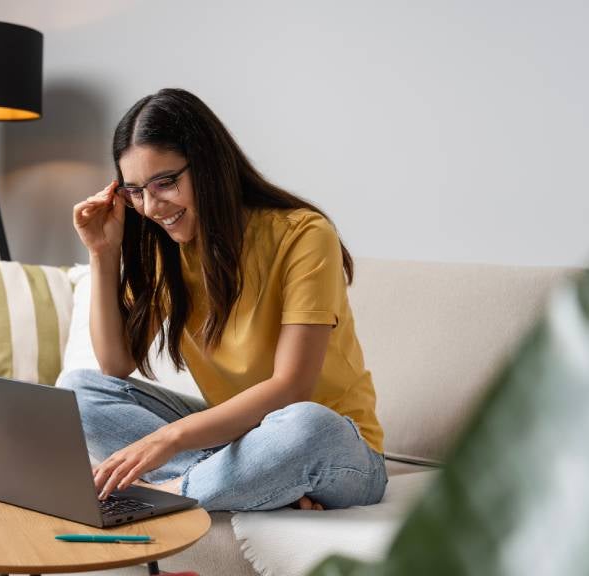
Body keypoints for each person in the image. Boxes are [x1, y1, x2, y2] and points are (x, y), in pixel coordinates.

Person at [60, 88, 386, 512]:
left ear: (209, 165)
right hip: (238, 441)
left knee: (308, 425)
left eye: (165, 183)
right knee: (78, 390)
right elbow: (115, 365)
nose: (152, 206)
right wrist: (102, 254)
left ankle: (174, 492)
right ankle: (254, 482)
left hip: (339, 450)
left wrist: (168, 437)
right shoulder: (166, 249)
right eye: (134, 191)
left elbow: (293, 388)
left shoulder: (303, 234)